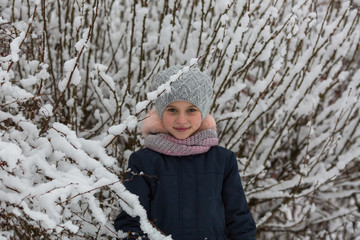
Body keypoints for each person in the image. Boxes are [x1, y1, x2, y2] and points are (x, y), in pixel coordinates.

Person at [114, 66, 256, 240]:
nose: (181, 120)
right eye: (172, 110)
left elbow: (239, 221)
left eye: (191, 110)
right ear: (160, 110)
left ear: (203, 111)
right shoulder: (144, 162)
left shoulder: (223, 161)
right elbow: (131, 221)